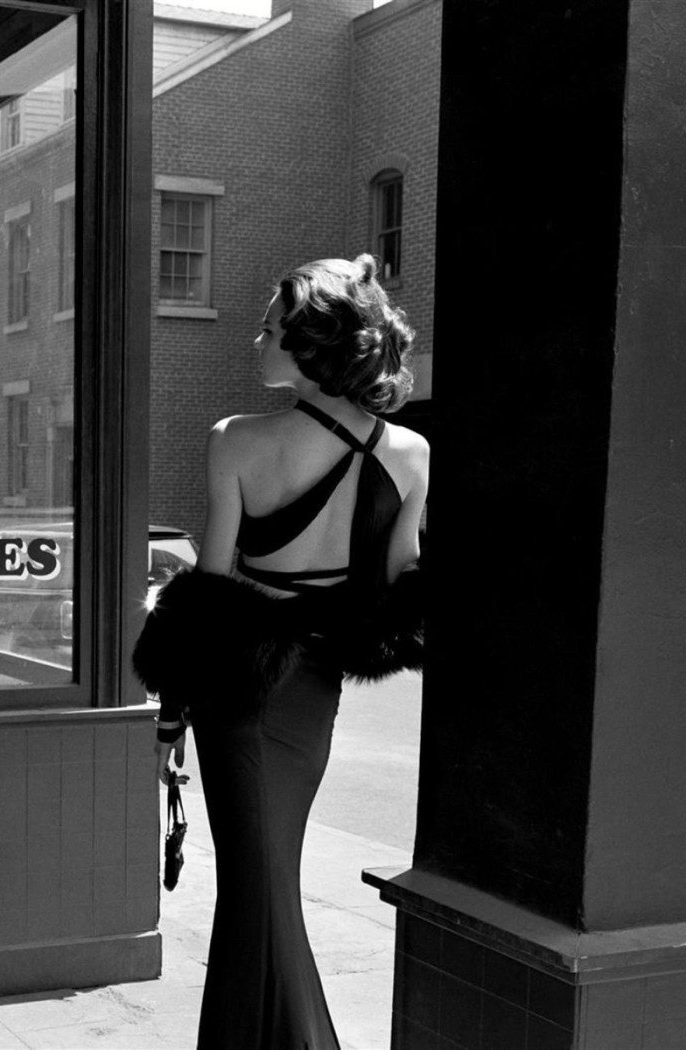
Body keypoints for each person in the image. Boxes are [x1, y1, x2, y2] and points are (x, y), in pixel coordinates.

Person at [134, 253, 430, 1049]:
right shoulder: (410, 454)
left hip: (239, 693)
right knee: (265, 885)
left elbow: (212, 593)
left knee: (257, 889)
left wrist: (168, 725)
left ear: (313, 345)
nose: (254, 340)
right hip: (315, 691)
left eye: (270, 328)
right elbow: (400, 588)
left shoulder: (236, 439)